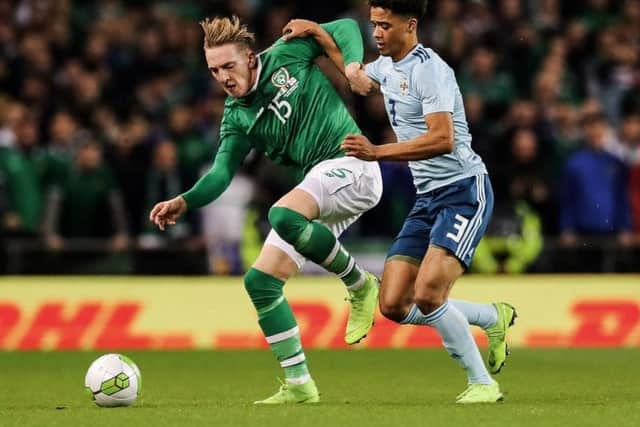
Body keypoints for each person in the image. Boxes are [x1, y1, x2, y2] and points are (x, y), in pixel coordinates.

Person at [149, 16, 382, 404]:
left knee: (281, 214)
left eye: (229, 66)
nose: (222, 76)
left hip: (354, 164)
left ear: (251, 59)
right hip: (321, 186)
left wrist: (353, 66)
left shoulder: (286, 54)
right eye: (213, 70)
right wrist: (184, 200)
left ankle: (360, 284)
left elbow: (343, 27)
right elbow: (222, 173)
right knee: (260, 282)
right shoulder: (236, 117)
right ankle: (299, 385)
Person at [305, 0, 517, 403]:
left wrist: (378, 153)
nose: (377, 34)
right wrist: (316, 33)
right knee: (393, 303)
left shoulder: (430, 70)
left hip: (462, 191)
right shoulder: (387, 66)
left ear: (411, 24)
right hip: (428, 198)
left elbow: (443, 138)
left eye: (385, 25)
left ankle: (482, 384)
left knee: (429, 294)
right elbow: (356, 75)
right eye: (374, 26)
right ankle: (493, 317)